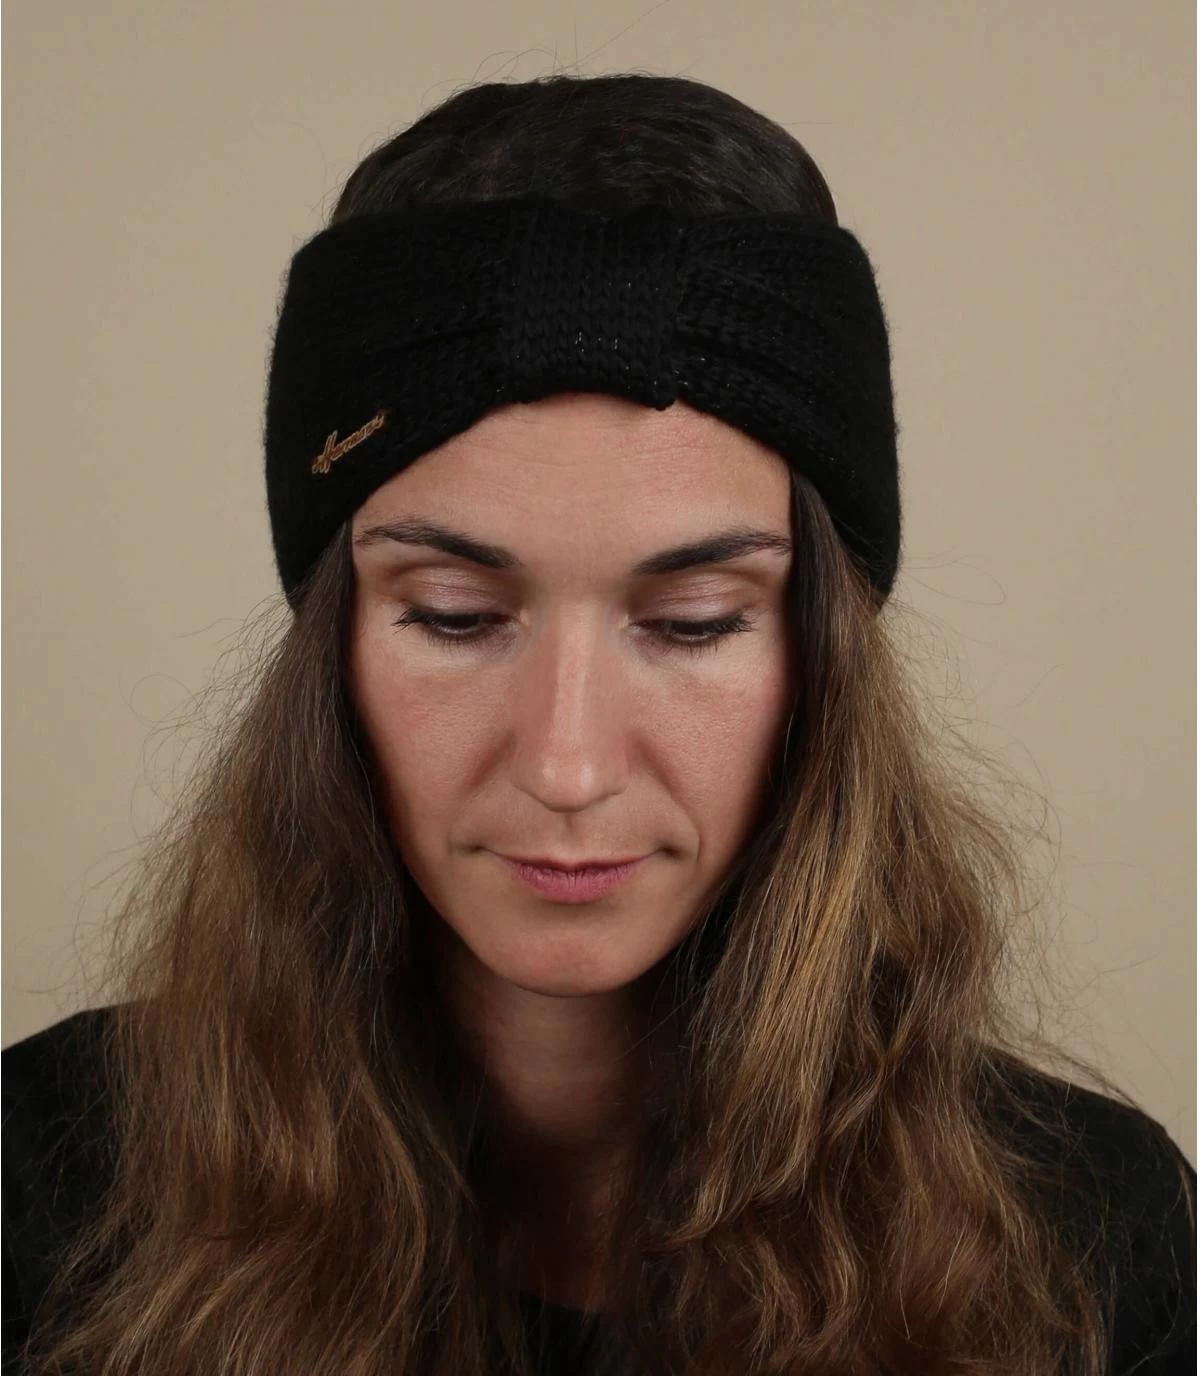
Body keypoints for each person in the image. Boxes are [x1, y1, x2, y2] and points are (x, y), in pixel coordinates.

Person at [2, 71, 1194, 1376]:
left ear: (819, 656)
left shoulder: (1096, 1243)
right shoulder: (38, 1190)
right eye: (455, 615)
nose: (567, 765)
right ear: (333, 645)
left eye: (692, 623)